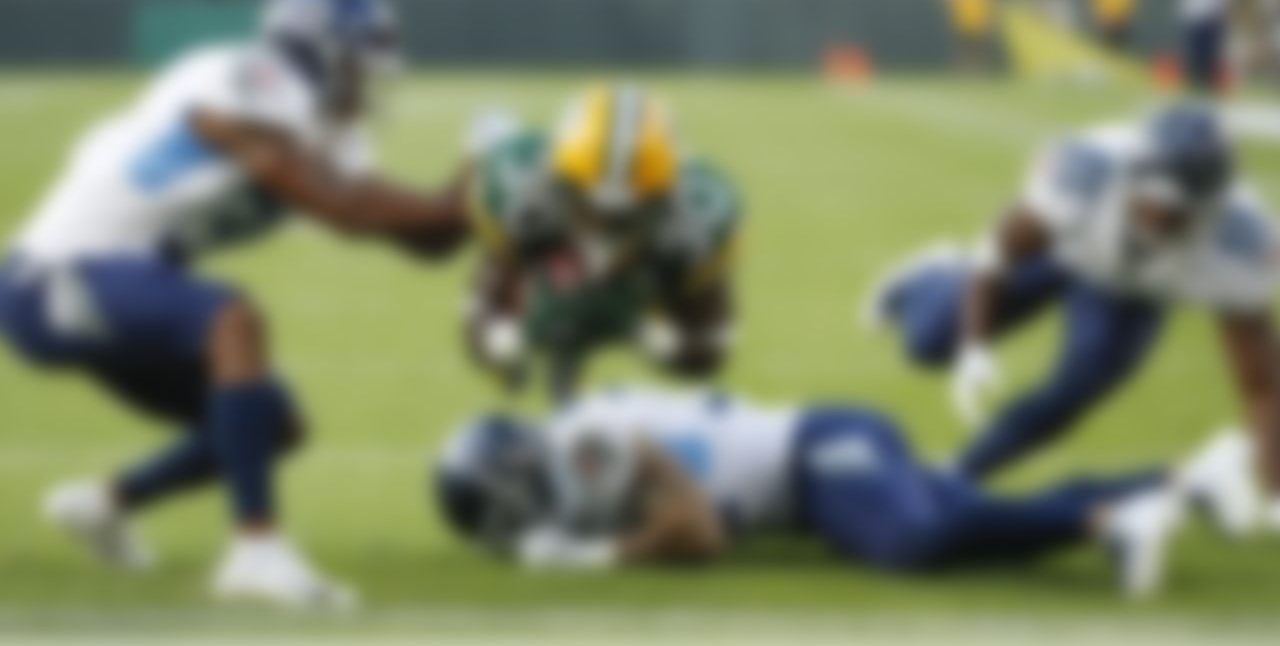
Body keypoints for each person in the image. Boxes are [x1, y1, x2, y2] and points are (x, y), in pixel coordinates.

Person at [0, 0, 470, 609]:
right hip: (57, 276)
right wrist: (454, 202)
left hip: (124, 277)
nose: (366, 87)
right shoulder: (247, 77)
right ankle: (256, 551)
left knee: (275, 427)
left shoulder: (319, 124)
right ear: (317, 53)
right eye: (358, 68)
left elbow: (425, 242)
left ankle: (101, 507)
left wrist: (485, 196)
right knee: (234, 319)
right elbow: (342, 210)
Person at [863, 104, 1280, 532]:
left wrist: (1277, 496)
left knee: (1080, 384)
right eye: (1154, 202)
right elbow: (1000, 250)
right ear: (1134, 176)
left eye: (1180, 214)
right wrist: (975, 345)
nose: (1159, 220)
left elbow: (1262, 386)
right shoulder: (1087, 169)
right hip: (1065, 247)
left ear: (1213, 206)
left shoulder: (1243, 242)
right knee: (929, 343)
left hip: (1132, 292)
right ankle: (929, 274)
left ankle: (957, 473)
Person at [435, 385, 1253, 598]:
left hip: (818, 449)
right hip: (815, 473)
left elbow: (699, 533)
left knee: (915, 542)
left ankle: (1107, 522)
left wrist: (590, 559)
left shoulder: (590, 438)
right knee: (960, 517)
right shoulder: (577, 446)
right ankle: (1189, 478)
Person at [461, 85, 741, 400]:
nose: (605, 227)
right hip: (546, 242)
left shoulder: (698, 222)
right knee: (507, 353)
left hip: (645, 278)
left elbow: (706, 352)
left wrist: (648, 334)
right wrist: (508, 344)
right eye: (590, 207)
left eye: (627, 215)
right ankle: (496, 135)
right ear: (558, 181)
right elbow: (483, 320)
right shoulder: (518, 195)